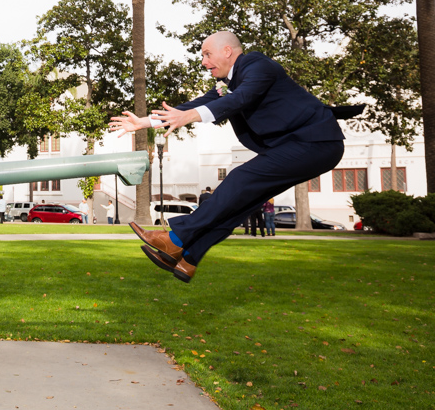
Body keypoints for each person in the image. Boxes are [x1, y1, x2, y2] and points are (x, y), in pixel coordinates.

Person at [109, 30, 360, 284]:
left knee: (241, 177)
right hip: (297, 146)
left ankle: (175, 239)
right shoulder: (228, 84)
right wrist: (144, 122)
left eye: (208, 54)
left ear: (227, 51)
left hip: (316, 142)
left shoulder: (257, 65)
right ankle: (188, 258)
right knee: (241, 203)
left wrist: (191, 117)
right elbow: (192, 106)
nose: (204, 62)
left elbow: (243, 98)